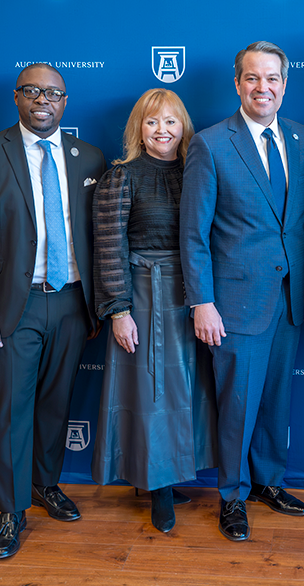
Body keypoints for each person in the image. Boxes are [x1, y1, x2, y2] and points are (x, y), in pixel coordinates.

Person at [0, 63, 106, 559]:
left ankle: (45, 485)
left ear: (65, 101)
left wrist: (102, 306)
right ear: (17, 97)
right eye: (34, 91)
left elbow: (102, 238)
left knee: (55, 405)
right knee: (12, 411)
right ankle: (11, 510)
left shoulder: (90, 158)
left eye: (54, 93)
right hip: (12, 307)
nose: (44, 100)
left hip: (72, 301)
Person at [180, 41, 304, 542]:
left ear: (285, 84)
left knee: (276, 401)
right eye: (252, 79)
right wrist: (202, 301)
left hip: (288, 298)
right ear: (237, 84)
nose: (263, 88)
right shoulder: (211, 143)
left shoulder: (303, 140)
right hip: (234, 304)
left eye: (273, 79)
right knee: (237, 405)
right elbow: (193, 234)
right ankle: (233, 496)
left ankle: (268, 482)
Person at [90, 88, 217, 533]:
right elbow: (108, 247)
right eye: (151, 122)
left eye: (170, 122)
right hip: (143, 297)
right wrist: (119, 310)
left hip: (192, 296)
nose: (161, 131)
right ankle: (157, 488)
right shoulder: (121, 177)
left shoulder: (198, 172)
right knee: (152, 393)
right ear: (138, 130)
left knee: (185, 391)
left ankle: (171, 472)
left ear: (184, 128)